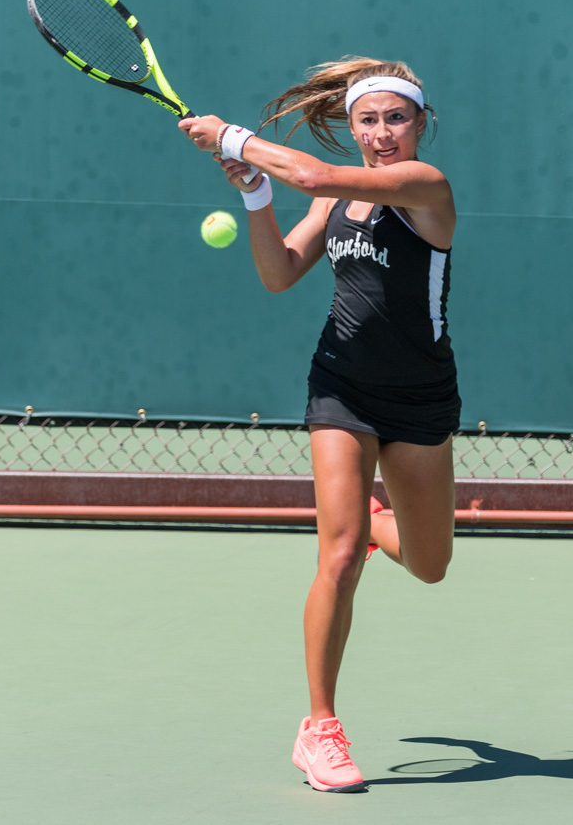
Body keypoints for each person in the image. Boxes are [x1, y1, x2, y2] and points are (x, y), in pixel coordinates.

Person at [179, 56, 460, 793]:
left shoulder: (424, 188)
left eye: (396, 117)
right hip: (340, 387)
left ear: (420, 123)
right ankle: (321, 728)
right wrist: (256, 199)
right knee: (336, 558)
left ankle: (370, 518)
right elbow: (280, 272)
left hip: (422, 398)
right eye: (367, 120)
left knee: (430, 565)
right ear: (353, 126)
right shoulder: (337, 202)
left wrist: (231, 137)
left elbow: (310, 172)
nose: (382, 132)